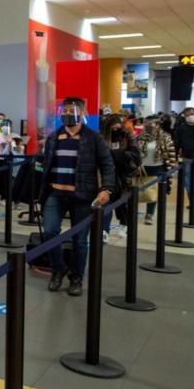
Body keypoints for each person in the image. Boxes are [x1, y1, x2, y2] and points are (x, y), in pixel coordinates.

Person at [39, 97, 115, 296]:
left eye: (71, 111)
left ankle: (76, 277)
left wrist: (106, 188)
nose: (67, 114)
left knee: (80, 240)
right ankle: (58, 269)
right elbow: (47, 164)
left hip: (82, 195)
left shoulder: (93, 138)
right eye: (64, 111)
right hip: (55, 194)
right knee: (50, 232)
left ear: (82, 113)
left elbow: (107, 164)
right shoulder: (54, 137)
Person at [100, 114, 141, 241]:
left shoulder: (127, 135)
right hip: (106, 174)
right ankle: (104, 230)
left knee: (122, 203)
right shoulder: (101, 137)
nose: (115, 130)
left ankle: (124, 225)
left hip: (124, 174)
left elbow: (136, 155)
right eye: (112, 127)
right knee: (106, 202)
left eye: (117, 127)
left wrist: (118, 154)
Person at [136, 115, 177, 225]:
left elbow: (171, 153)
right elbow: (135, 152)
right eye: (146, 123)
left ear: (157, 124)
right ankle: (133, 211)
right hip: (143, 168)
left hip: (158, 168)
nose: (148, 125)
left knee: (153, 192)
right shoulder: (140, 137)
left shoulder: (165, 137)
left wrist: (171, 167)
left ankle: (149, 214)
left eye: (151, 123)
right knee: (139, 190)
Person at [0, 118, 20, 203]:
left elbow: (17, 150)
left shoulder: (14, 136)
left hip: (10, 161)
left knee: (10, 180)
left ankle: (10, 198)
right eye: (3, 125)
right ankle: (2, 196)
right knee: (0, 180)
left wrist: (13, 143)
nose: (5, 127)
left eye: (7, 125)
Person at [173, 107, 194, 198]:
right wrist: (175, 158)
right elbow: (176, 144)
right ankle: (192, 199)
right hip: (187, 157)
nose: (190, 116)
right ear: (184, 116)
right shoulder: (181, 128)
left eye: (192, 114)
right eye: (188, 115)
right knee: (187, 178)